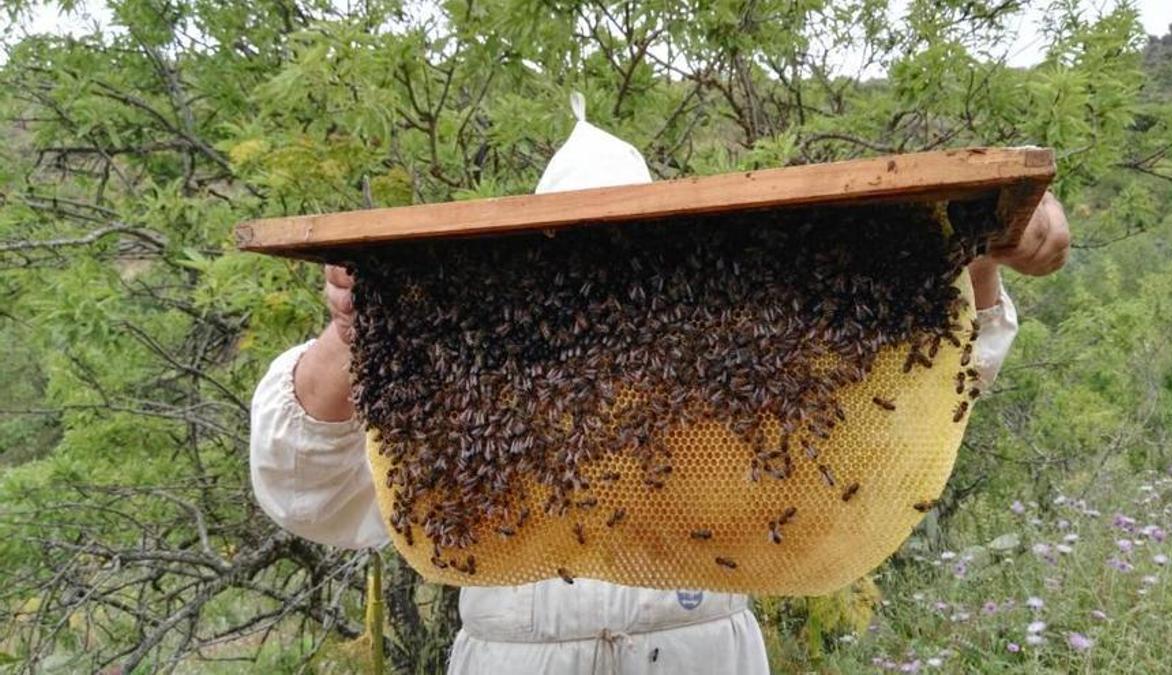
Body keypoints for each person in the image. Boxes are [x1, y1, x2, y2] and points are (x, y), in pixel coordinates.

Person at [250, 107, 1070, 674]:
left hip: (701, 652)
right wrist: (359, 331)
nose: (598, 273)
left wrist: (976, 243)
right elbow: (305, 489)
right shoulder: (464, 358)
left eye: (624, 245)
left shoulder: (740, 334)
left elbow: (925, 382)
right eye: (571, 251)